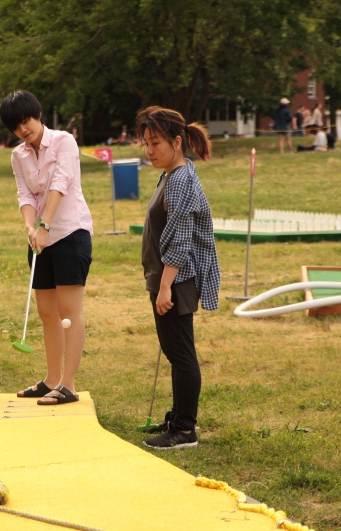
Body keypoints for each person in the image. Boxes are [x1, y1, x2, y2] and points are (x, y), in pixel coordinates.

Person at [0, 90, 94, 406]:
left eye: (26, 121)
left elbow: (60, 185)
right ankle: (51, 379)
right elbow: (25, 195)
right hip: (40, 239)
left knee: (69, 312)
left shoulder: (64, 141)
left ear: (38, 115)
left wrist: (45, 225)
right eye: (16, 126)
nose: (23, 129)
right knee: (47, 313)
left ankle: (68, 384)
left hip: (69, 234)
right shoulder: (18, 155)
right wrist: (30, 226)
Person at [136, 106, 220, 450]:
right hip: (167, 277)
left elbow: (181, 237)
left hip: (177, 279)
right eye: (145, 143)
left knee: (182, 353)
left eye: (155, 142)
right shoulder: (172, 174)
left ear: (176, 141)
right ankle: (178, 416)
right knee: (174, 351)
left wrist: (166, 285)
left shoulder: (182, 179)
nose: (149, 150)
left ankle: (185, 430)